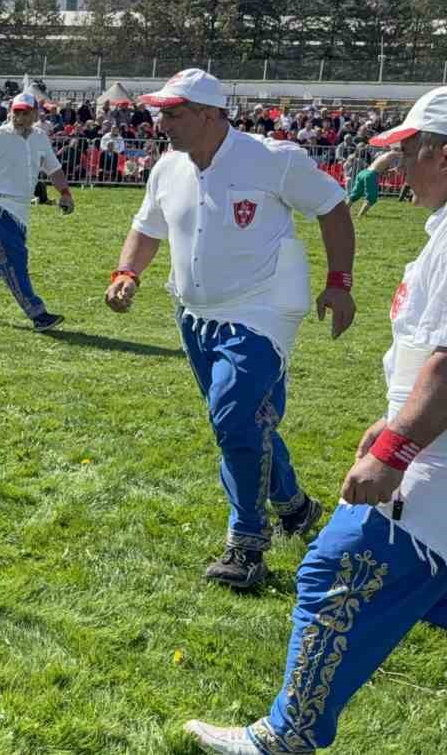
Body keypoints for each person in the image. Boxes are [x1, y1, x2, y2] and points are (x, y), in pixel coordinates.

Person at [182, 87, 447, 755]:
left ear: (444, 157)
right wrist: (390, 421)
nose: (395, 169)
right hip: (429, 450)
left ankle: (287, 735)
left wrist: (392, 450)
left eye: (408, 153)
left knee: (335, 570)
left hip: (430, 475)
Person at [105, 69, 355, 590]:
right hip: (194, 312)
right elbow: (146, 227)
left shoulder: (273, 158)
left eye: (173, 113)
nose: (162, 121)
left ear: (210, 114)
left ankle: (247, 547)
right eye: (161, 111)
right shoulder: (167, 168)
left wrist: (339, 282)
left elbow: (332, 206)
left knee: (233, 415)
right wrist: (127, 273)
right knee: (243, 421)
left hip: (263, 310)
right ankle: (295, 508)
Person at [0, 93, 74, 331]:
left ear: (35, 114)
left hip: (22, 208)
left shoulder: (40, 138)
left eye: (25, 113)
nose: (19, 117)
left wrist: (65, 192)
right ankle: (37, 313)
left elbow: (54, 168)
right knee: (15, 259)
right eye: (16, 112)